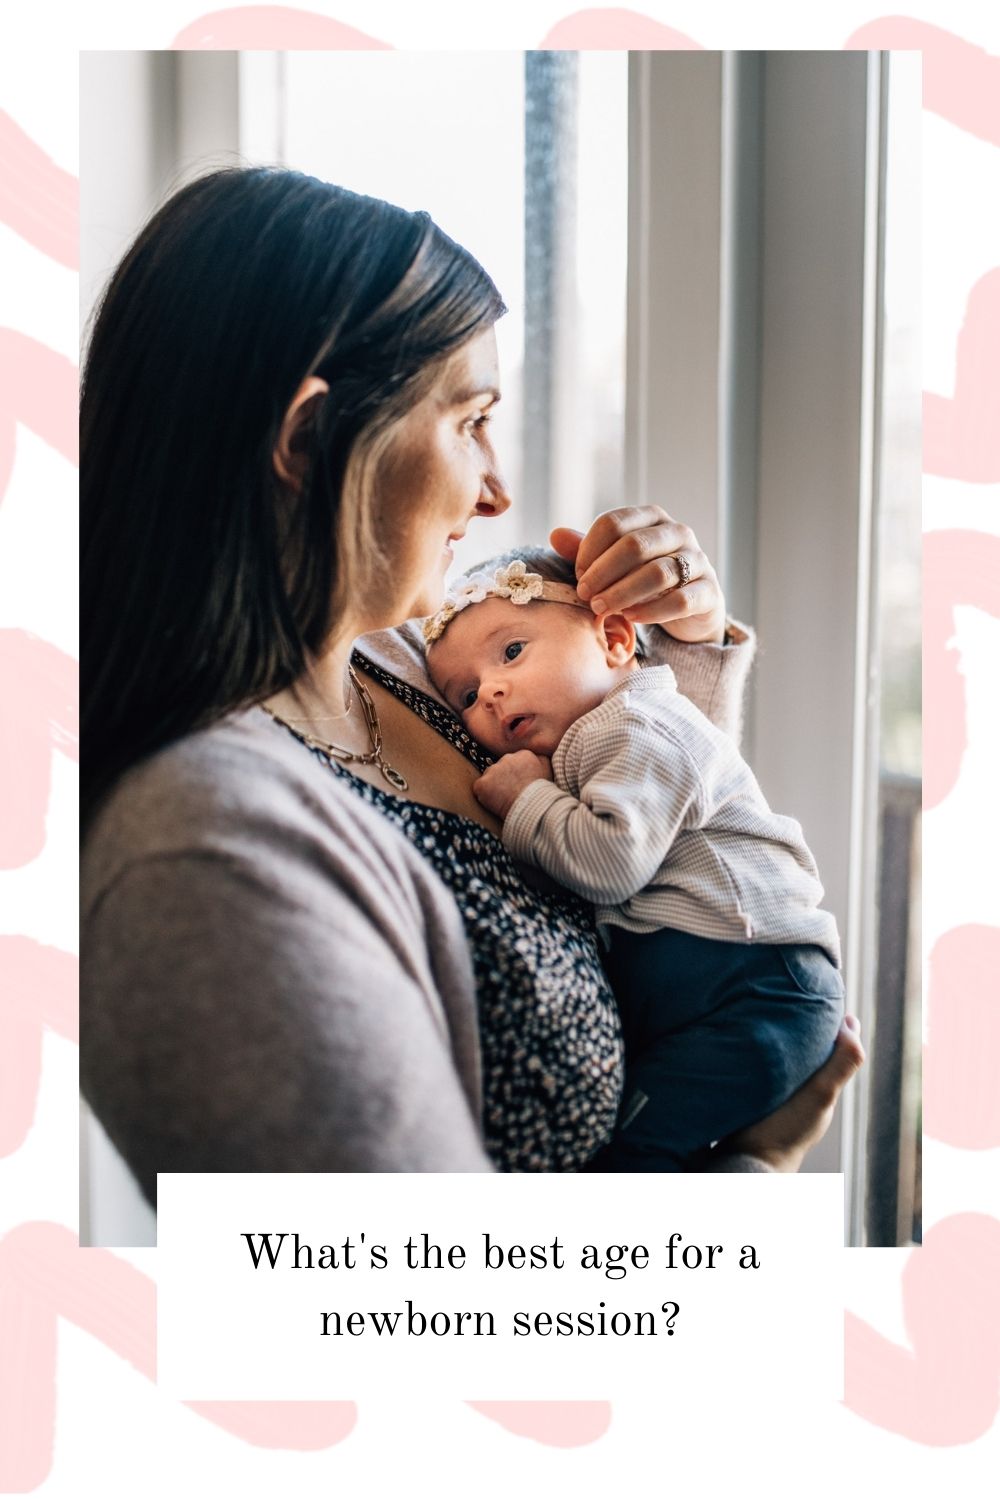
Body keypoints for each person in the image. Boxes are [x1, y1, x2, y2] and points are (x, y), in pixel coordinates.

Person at [80, 167, 862, 1202]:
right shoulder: (205, 857)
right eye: (469, 423)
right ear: (309, 440)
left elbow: (648, 817)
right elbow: (415, 1316)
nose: (497, 491)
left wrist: (684, 636)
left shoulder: (406, 667)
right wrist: (754, 1178)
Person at [424, 547, 845, 1170]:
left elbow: (612, 863)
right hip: (718, 985)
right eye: (463, 695)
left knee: (632, 1153)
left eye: (511, 651)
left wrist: (526, 800)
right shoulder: (595, 737)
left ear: (616, 638)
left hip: (755, 983)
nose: (489, 690)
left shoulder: (638, 724)